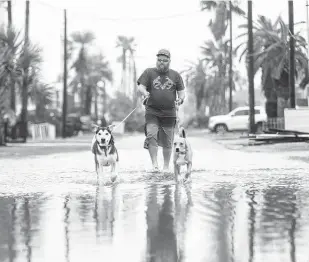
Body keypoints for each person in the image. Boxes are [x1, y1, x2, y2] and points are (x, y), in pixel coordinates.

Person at [137, 49, 186, 172]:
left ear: (169, 61)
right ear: (156, 60)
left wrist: (180, 100)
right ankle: (154, 165)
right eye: (159, 60)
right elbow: (141, 86)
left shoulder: (175, 75)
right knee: (151, 135)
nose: (161, 62)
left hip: (169, 113)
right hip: (152, 111)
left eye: (164, 60)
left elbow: (182, 92)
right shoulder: (149, 73)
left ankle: (165, 167)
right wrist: (144, 92)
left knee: (168, 141)